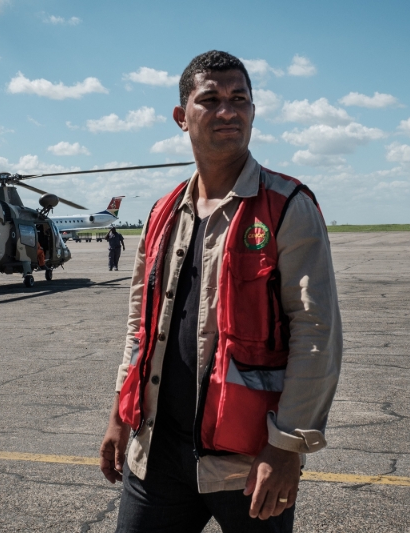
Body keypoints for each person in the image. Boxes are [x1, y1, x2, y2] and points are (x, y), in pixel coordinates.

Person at [99, 51, 342, 533]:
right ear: (181, 118)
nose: (228, 111)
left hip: (249, 462)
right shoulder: (162, 213)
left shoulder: (287, 206)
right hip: (157, 456)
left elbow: (316, 334)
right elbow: (140, 328)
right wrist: (118, 416)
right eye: (210, 99)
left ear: (253, 111)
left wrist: (286, 447)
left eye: (240, 99)